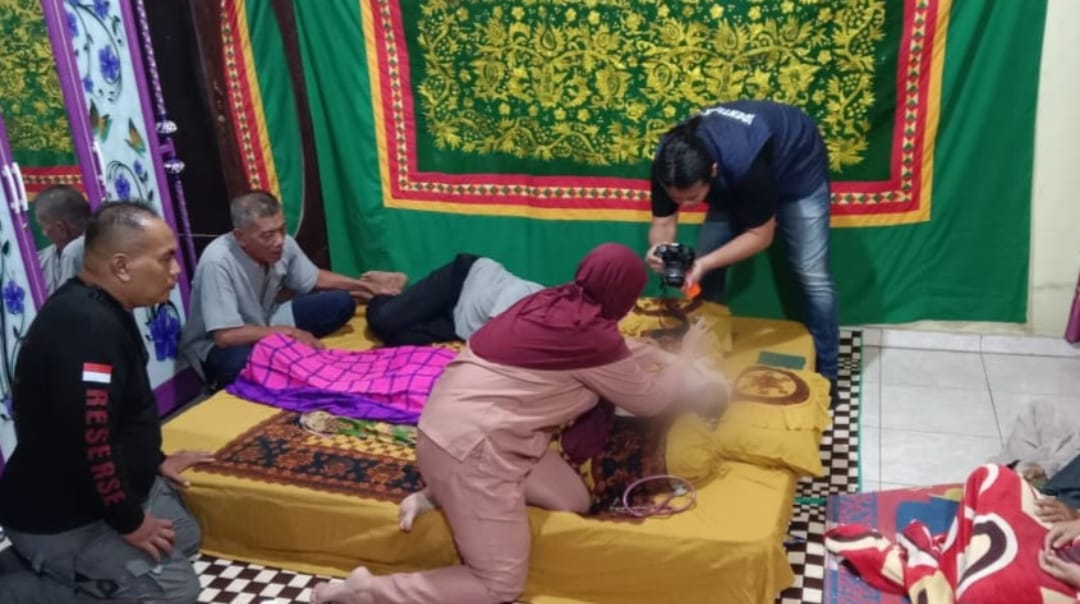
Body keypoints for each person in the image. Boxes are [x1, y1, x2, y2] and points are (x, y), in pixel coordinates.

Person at [310, 243, 723, 604]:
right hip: (470, 450)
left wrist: (660, 355)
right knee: (498, 585)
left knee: (572, 499)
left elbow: (612, 348)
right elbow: (649, 400)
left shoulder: (555, 302)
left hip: (454, 432)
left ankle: (442, 492)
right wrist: (687, 355)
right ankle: (367, 591)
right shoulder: (592, 338)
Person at [0, 202, 214, 603]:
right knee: (175, 593)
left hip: (98, 494)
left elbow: (121, 414)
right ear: (121, 267)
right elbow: (90, 441)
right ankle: (20, 583)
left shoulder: (104, 306)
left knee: (184, 536)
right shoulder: (87, 329)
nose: (176, 270)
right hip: (63, 515)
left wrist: (153, 460)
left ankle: (50, 565)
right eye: (165, 258)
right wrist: (130, 522)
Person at [646, 100, 840, 390]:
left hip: (796, 167)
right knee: (704, 276)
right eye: (677, 199)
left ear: (712, 172)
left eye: (693, 198)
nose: (685, 205)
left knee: (813, 276)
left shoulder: (744, 165)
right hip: (737, 172)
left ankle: (828, 373)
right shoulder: (669, 166)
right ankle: (708, 354)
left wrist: (704, 263)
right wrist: (660, 250)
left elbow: (761, 235)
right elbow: (662, 223)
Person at [179, 190, 408, 389]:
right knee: (241, 363)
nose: (279, 240)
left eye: (282, 229)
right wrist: (290, 333)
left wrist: (366, 286)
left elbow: (314, 278)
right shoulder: (217, 261)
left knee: (341, 303)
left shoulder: (282, 242)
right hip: (225, 342)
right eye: (267, 235)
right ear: (241, 236)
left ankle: (281, 350)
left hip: (266, 319)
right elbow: (225, 336)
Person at [365, 254, 543, 346]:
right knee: (382, 320)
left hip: (460, 323)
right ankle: (386, 289)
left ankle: (395, 299)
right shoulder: (536, 297)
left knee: (399, 340)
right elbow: (494, 338)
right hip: (463, 280)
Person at [32, 185, 90, 294]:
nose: (44, 234)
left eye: (43, 228)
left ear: (61, 228)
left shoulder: (79, 252)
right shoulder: (41, 261)